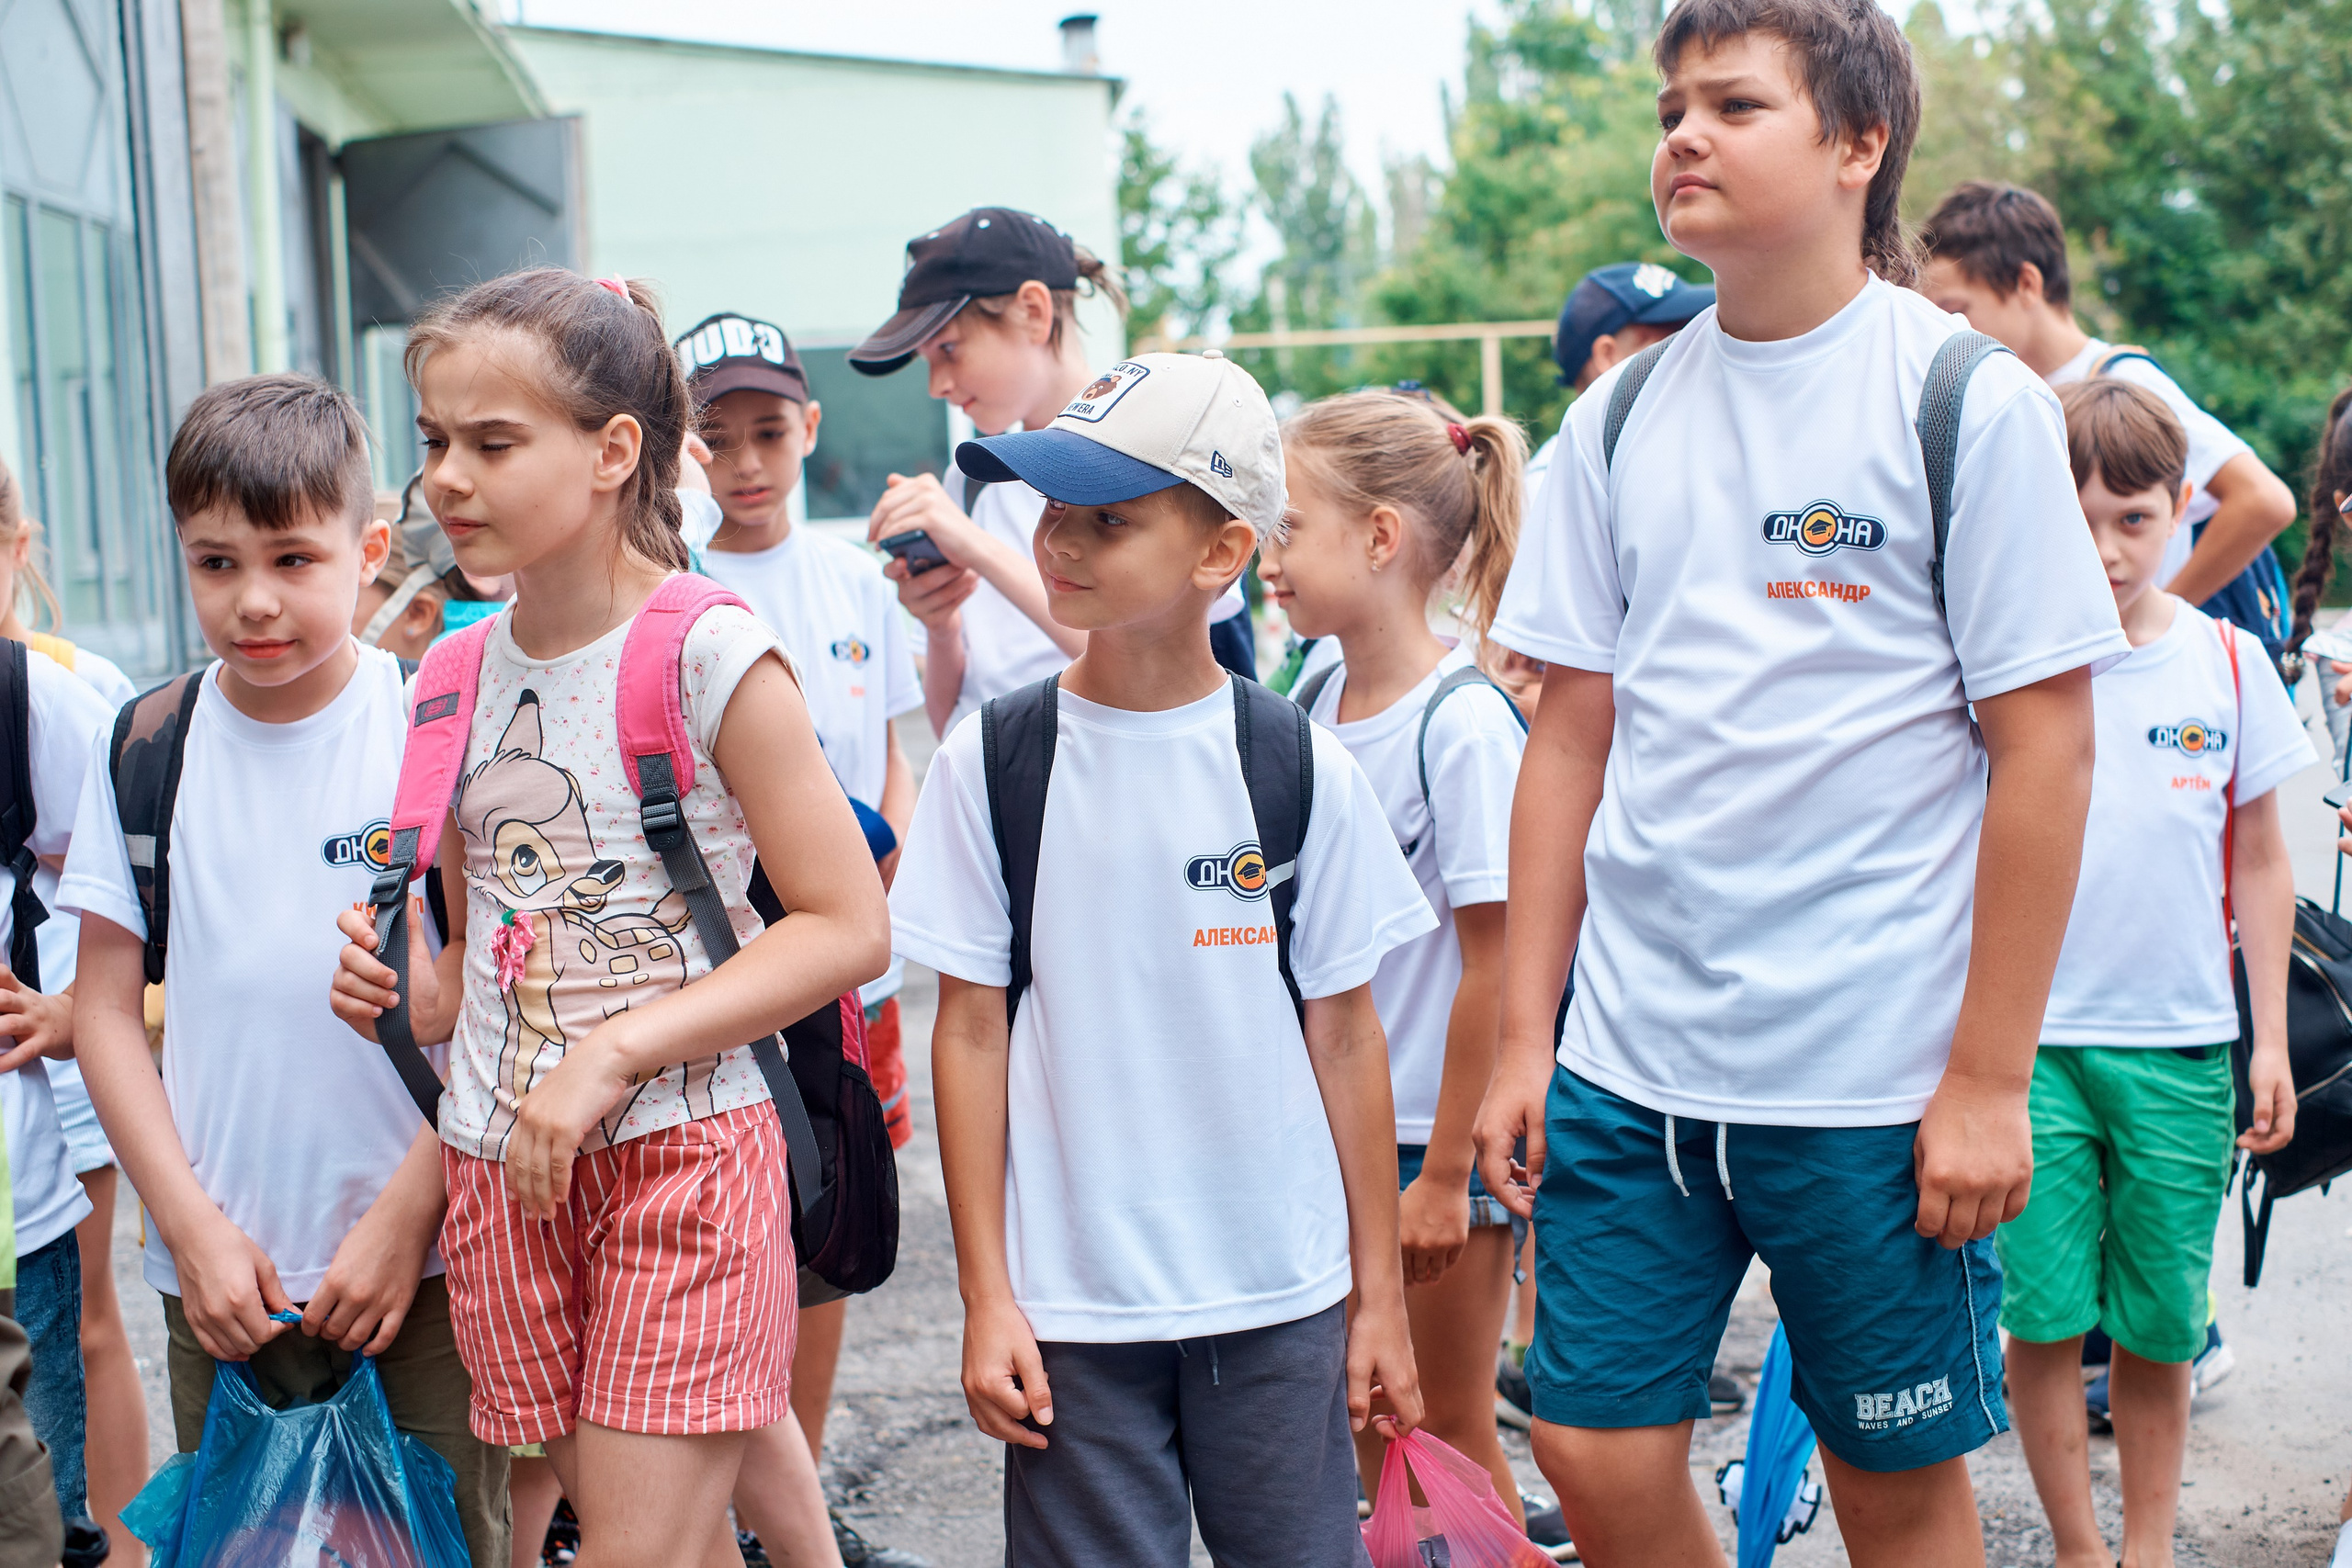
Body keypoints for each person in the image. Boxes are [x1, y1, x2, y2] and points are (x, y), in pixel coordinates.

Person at [1470, 2, 2133, 1563]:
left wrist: (1986, 1077)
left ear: (1858, 145)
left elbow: (2048, 748)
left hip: (1873, 1080)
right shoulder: (1618, 416)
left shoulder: (1965, 401)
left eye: (1735, 105)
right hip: (1636, 1066)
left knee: (1890, 1487)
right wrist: (1522, 1040)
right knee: (1590, 1440)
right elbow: (1569, 737)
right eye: (1672, 106)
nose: (1682, 135)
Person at [322, 269, 888, 1568]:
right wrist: (401, 984)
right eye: (435, 443)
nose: (446, 480)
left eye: (493, 442)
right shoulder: (452, 672)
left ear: (612, 449)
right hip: (501, 1173)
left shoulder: (707, 650)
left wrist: (613, 1054)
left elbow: (846, 923)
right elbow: (470, 968)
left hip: (680, 1158)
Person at [889, 349, 1434, 1566]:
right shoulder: (990, 762)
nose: (1061, 540)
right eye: (1054, 509)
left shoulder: (1297, 765)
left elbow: (1347, 1034)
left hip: (1282, 1298)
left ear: (1221, 553)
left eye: (1109, 517)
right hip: (1073, 1309)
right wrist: (989, 1295)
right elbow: (968, 1029)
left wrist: (1378, 1296)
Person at [58, 374, 507, 1564]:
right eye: (215, 563)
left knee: (440, 1541)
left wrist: (413, 1210)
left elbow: (508, 1002)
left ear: (369, 552)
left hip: (420, 1272)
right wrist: (188, 1227)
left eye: (292, 560)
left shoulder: (433, 730)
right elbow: (103, 1008)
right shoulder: (151, 743)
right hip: (221, 1285)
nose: (254, 601)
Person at [1259, 389, 1571, 1549]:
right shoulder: (1307, 699)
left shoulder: (1463, 723)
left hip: (1427, 1143)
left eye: (1290, 526)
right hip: (1330, 1129)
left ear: (1381, 539)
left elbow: (1494, 966)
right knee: (1370, 1432)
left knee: (1439, 1428)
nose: (1267, 556)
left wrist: (1445, 1176)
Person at [1999, 378, 2304, 1568]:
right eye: (2075, 518)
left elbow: (2266, 857)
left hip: (2180, 1043)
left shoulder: (2225, 663)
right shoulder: (2008, 669)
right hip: (2029, 1050)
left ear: (2183, 511)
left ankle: (2149, 1546)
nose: (2106, 547)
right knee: (2042, 1315)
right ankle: (2080, 1545)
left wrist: (2265, 1038)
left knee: (2161, 1325)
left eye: (2132, 518)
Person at [679, 309, 929, 1568]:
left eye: (768, 431)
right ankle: (720, 1502)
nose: (745, 462)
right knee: (721, 1237)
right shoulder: (676, 584)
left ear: (809, 427)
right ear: (680, 445)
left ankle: (801, 1502)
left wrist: (881, 872)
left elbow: (889, 752)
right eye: (715, 436)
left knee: (825, 1225)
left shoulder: (849, 582)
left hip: (842, 969)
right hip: (720, 967)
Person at [848, 208, 1251, 738]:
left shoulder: (1161, 458)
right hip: (996, 793)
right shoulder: (970, 481)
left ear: (1034, 312)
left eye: (948, 349)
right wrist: (941, 627)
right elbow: (951, 721)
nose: (937, 385)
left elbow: (1178, 678)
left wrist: (975, 548)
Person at [1919, 181, 2298, 615]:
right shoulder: (2018, 390)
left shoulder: (2125, 384)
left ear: (2027, 283)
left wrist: (2158, 621)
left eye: (1956, 309)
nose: (1951, 329)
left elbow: (2264, 500)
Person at [0, 457, 145, 1565]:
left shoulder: (48, 692)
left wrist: (74, 1009)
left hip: (53, 1083)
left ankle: (118, 1547)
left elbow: (107, 878)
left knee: (85, 1328)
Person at [1523, 262, 1716, 502]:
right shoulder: (1550, 486)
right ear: (1607, 355)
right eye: (1669, 340)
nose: (1690, 348)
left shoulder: (1696, 453)